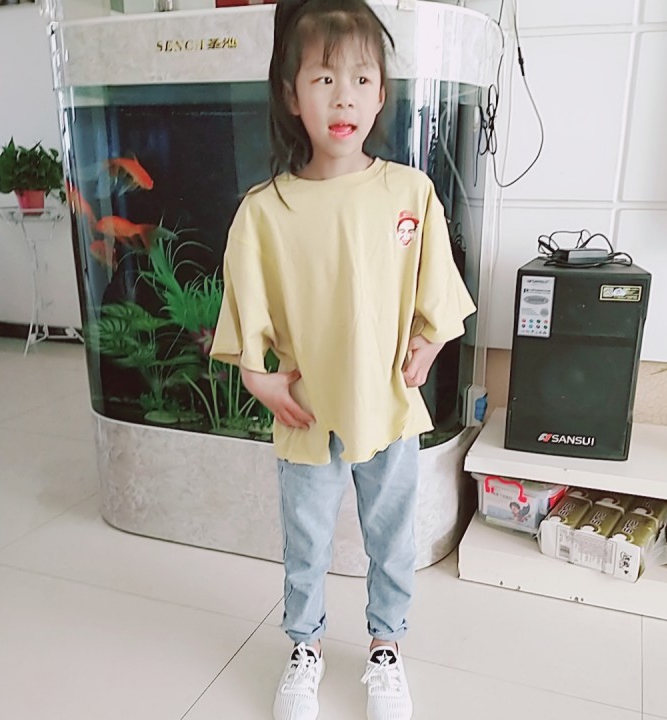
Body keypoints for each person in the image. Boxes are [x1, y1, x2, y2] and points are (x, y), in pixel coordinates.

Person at [210, 0, 476, 718]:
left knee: (392, 537)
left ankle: (386, 646)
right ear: (292, 94)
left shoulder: (409, 193)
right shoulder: (265, 210)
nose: (343, 97)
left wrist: (430, 340)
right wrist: (259, 378)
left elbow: (438, 298)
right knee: (306, 540)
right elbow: (245, 317)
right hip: (306, 412)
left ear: (381, 94)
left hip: (386, 407)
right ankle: (305, 647)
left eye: (361, 79)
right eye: (323, 79)